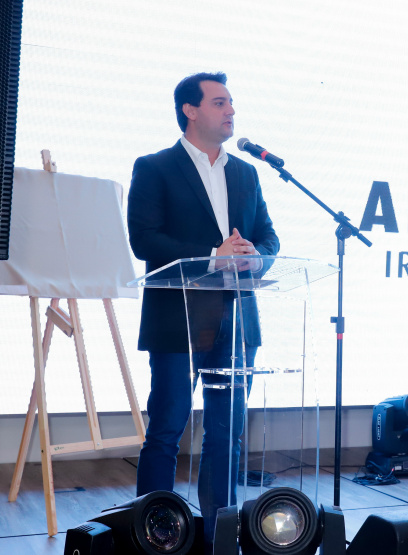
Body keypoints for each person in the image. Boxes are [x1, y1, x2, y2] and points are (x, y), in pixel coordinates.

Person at [126, 71, 280, 546]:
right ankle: (153, 536)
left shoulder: (246, 172)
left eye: (231, 102)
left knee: (226, 434)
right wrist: (215, 255)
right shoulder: (154, 167)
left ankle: (221, 534)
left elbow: (270, 237)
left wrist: (257, 255)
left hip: (236, 319)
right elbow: (144, 238)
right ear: (190, 111)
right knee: (168, 429)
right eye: (219, 102)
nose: (230, 110)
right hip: (179, 318)